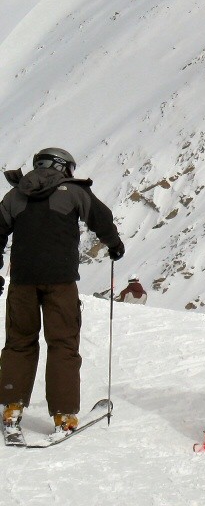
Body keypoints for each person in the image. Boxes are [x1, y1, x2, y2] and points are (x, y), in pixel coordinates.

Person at [0, 148, 124, 435]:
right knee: (63, 345)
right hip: (61, 282)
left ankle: (11, 407)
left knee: (19, 342)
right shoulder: (73, 191)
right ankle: (63, 416)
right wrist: (114, 245)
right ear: (62, 166)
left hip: (22, 281)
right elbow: (101, 218)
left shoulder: (15, 195)